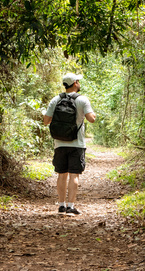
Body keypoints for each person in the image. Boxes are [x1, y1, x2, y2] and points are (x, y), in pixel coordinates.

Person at [43, 73, 96, 215]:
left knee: (61, 175)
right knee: (74, 175)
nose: (79, 83)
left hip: (59, 143)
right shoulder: (83, 100)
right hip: (77, 144)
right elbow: (91, 119)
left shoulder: (55, 100)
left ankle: (61, 206)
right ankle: (71, 207)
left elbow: (46, 121)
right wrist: (92, 114)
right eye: (78, 81)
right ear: (75, 83)